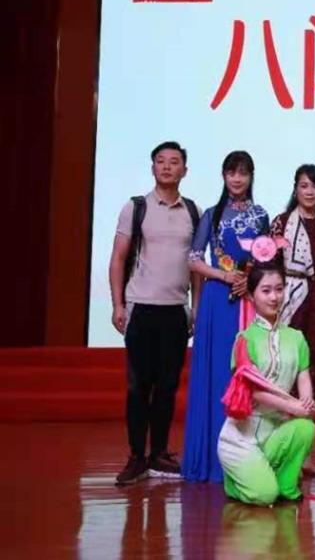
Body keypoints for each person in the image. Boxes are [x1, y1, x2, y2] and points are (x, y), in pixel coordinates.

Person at [108, 141, 201, 485]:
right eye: (160, 161)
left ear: (184, 170)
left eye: (174, 162)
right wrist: (118, 305)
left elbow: (196, 266)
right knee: (138, 386)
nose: (166, 167)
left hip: (175, 311)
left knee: (167, 386)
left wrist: (195, 308)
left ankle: (159, 453)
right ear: (153, 168)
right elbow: (118, 258)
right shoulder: (136, 208)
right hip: (141, 308)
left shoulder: (193, 212)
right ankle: (136, 457)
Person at [182, 151, 271, 483]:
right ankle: (213, 458)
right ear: (223, 176)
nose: (237, 179)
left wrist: (249, 280)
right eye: (232, 173)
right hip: (218, 302)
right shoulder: (212, 214)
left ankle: (248, 458)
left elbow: (267, 259)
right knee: (218, 372)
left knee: (247, 372)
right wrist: (223, 276)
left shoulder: (261, 216)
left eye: (243, 173)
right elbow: (193, 259)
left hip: (249, 300)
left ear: (251, 177)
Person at [217, 262, 315, 505]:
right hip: (243, 436)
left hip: (275, 431)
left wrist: (306, 405)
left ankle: (284, 483)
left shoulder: (296, 337)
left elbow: (304, 377)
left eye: (279, 289)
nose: (274, 297)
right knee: (265, 496)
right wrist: (293, 407)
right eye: (266, 290)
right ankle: (235, 483)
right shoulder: (244, 339)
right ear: (251, 296)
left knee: (306, 428)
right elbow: (253, 392)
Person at [270, 165, 315, 410]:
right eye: (304, 186)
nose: (310, 191)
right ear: (295, 189)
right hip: (289, 299)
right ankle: (285, 406)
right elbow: (271, 268)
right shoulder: (281, 223)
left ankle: (312, 411)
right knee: (289, 353)